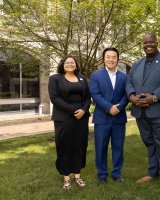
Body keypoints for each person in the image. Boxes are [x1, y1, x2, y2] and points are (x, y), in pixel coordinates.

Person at [126, 33, 160, 189]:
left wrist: (155, 97)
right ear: (142, 44)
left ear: (157, 43)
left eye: (151, 42)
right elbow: (129, 82)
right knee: (149, 142)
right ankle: (153, 172)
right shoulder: (136, 64)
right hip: (141, 111)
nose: (148, 44)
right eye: (145, 42)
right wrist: (131, 97)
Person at [48, 55, 91, 189]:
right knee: (64, 146)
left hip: (81, 118)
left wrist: (83, 110)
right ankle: (66, 178)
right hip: (64, 118)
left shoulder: (83, 79)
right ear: (62, 64)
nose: (70, 65)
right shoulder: (55, 78)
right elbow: (55, 98)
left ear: (76, 65)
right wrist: (74, 110)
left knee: (79, 146)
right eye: (67, 63)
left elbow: (88, 97)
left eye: (72, 63)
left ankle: (77, 176)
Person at [90, 47, 129, 185]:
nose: (111, 59)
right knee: (101, 147)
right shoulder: (96, 76)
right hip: (102, 117)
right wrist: (109, 107)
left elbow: (127, 95)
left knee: (118, 147)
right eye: (108, 57)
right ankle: (102, 175)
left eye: (113, 57)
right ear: (103, 59)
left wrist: (118, 107)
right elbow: (95, 95)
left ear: (117, 59)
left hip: (119, 118)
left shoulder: (124, 77)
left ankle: (117, 174)